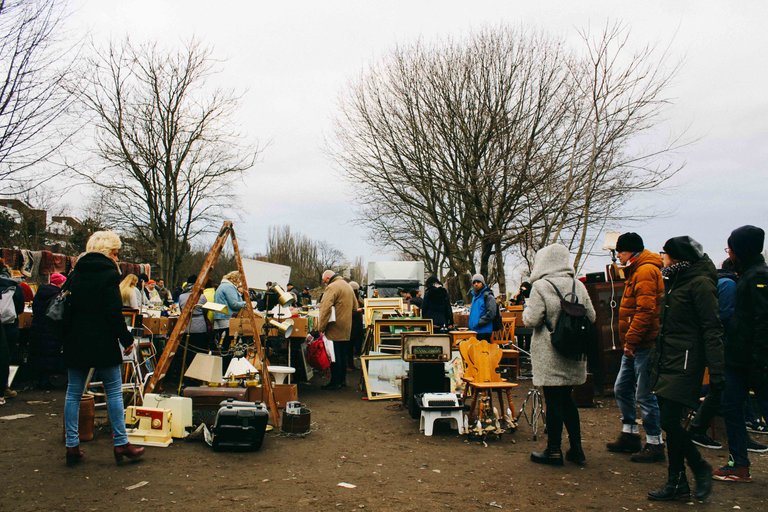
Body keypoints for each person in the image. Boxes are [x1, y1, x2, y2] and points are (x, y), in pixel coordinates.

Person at [647, 236, 724, 502]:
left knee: (669, 420)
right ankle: (676, 481)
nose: (662, 258)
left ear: (677, 258)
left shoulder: (699, 284)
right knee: (669, 420)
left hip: (686, 362)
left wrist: (716, 370)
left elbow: (712, 327)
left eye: (665, 254)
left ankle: (699, 466)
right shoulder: (675, 282)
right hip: (667, 359)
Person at [62, 231, 144, 466]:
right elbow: (113, 314)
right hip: (103, 341)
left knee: (73, 393)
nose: (117, 258)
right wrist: (127, 339)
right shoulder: (109, 276)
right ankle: (120, 443)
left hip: (76, 340)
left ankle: (72, 445)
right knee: (114, 392)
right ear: (108, 252)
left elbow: (66, 310)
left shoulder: (75, 274)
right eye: (116, 253)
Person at [523, 244, 596, 466]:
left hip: (550, 351)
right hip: (574, 351)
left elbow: (531, 320)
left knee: (553, 399)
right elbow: (591, 316)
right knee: (567, 399)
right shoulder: (578, 286)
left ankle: (553, 450)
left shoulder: (541, 286)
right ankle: (577, 449)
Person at [714, 225, 768, 482]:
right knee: (731, 406)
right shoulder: (747, 275)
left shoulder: (758, 278)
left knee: (740, 407)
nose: (729, 253)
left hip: (751, 360)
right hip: (740, 358)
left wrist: (759, 361)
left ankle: (739, 463)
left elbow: (762, 322)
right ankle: (738, 464)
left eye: (731, 248)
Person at [607, 232, 665, 463]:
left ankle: (654, 441)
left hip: (643, 344)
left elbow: (646, 310)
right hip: (634, 343)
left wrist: (631, 340)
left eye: (620, 251)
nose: (618, 256)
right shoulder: (637, 270)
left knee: (644, 393)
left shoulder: (645, 271)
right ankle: (630, 433)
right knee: (622, 387)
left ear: (630, 251)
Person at [318, 270, 356, 390]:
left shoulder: (332, 287)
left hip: (334, 326)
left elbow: (325, 308)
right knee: (343, 354)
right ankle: (342, 381)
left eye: (325, 281)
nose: (325, 284)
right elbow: (355, 307)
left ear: (328, 278)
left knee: (334, 355)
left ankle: (335, 382)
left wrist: (321, 327)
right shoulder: (348, 286)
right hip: (346, 326)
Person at [29, 273, 67, 388]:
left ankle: (40, 379)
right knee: (50, 355)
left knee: (40, 353)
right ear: (59, 283)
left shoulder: (40, 293)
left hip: (38, 328)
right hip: (50, 330)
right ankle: (48, 381)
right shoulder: (57, 295)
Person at [0, 258, 24, 405]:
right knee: (4, 357)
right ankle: (4, 388)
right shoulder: (13, 285)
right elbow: (20, 306)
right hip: (9, 324)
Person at [178, 279, 210, 378]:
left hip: (187, 326)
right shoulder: (202, 296)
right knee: (199, 350)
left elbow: (180, 309)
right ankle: (198, 374)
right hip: (200, 325)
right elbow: (206, 310)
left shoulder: (181, 297)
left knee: (188, 351)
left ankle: (187, 373)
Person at [213, 271, 246, 354]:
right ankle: (227, 365)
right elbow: (234, 304)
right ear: (235, 279)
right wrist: (247, 303)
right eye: (239, 279)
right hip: (227, 319)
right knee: (229, 345)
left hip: (221, 318)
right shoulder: (229, 287)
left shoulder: (222, 286)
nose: (240, 282)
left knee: (223, 344)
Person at [467, 274, 496, 342]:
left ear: (482, 283)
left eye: (478, 282)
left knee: (483, 352)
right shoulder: (474, 297)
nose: (476, 284)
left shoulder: (488, 296)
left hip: (484, 332)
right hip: (474, 331)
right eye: (474, 282)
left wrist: (478, 323)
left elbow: (491, 313)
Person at [348, 281, 364, 369]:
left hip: (355, 325)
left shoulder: (356, 298)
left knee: (351, 346)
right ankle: (350, 365)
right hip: (353, 325)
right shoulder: (351, 298)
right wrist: (358, 310)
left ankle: (350, 365)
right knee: (350, 347)